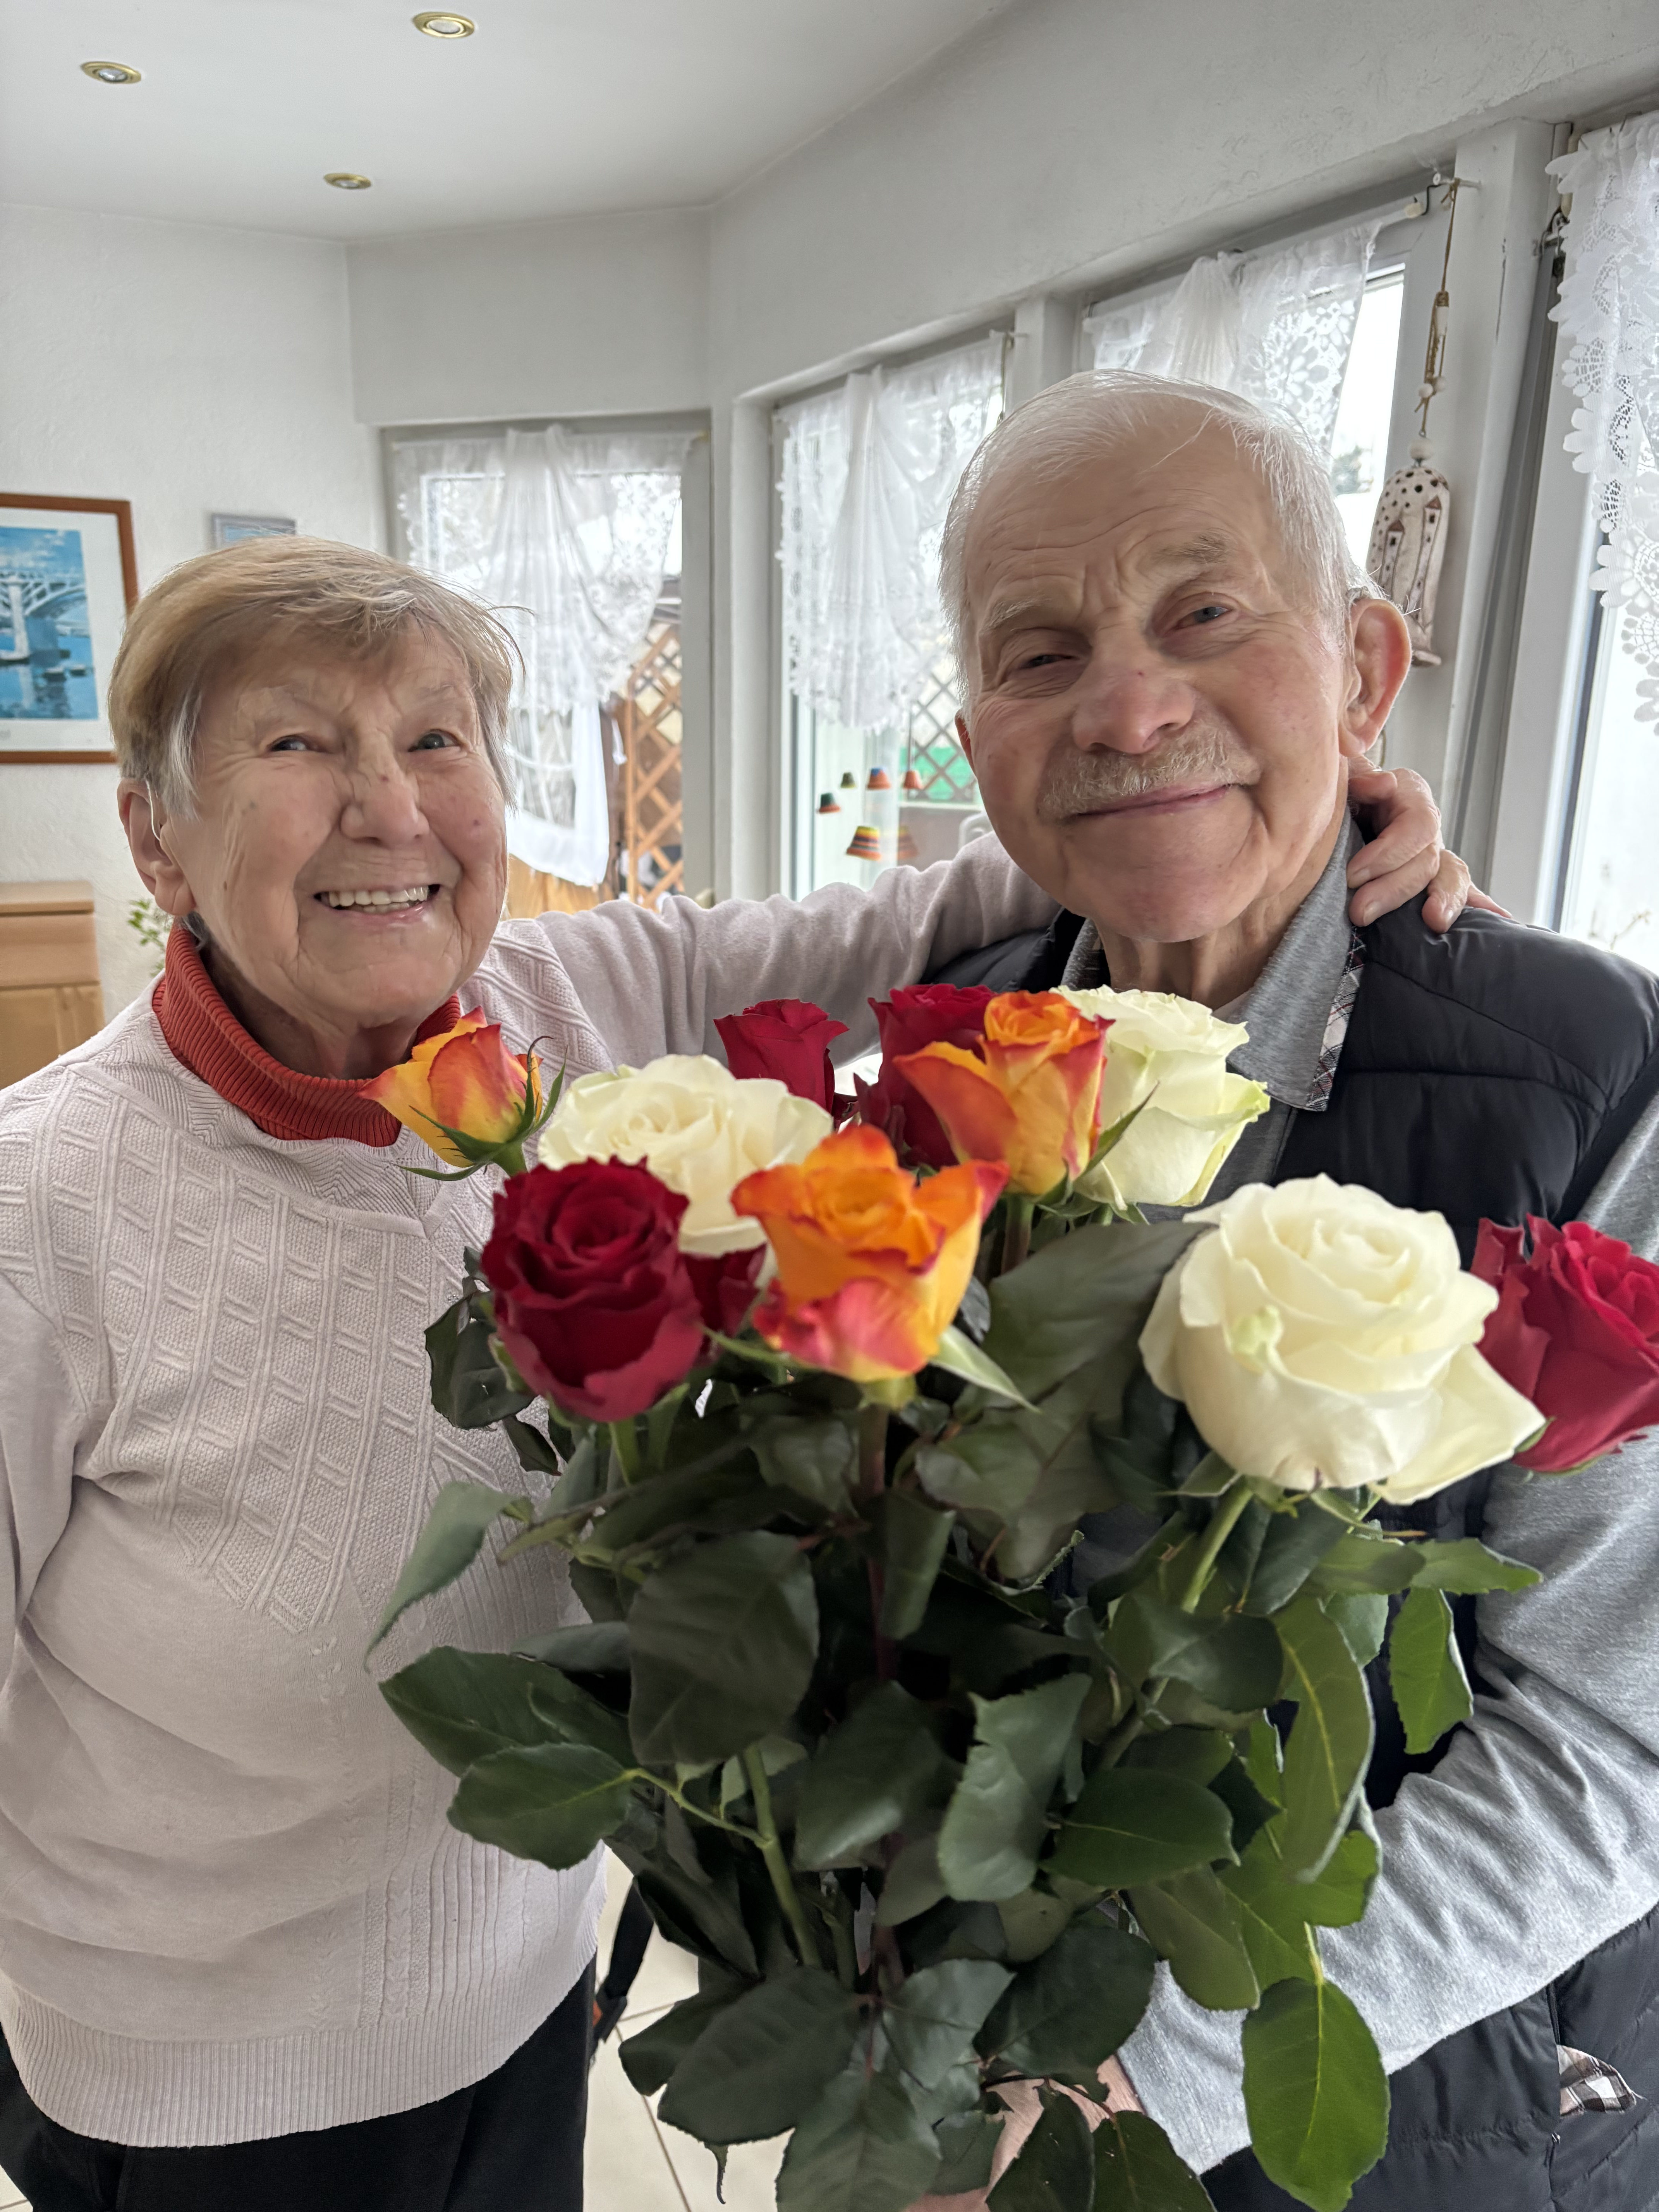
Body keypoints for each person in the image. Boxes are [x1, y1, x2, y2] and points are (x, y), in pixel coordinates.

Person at [0, 536, 1466, 2212]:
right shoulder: (40, 1212)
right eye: (295, 745)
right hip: (208, 2102)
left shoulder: (581, 994)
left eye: (433, 740)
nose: (388, 809)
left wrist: (1299, 808)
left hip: (521, 2004)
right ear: (154, 833)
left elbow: (967, 895)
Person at [922, 371, 1659, 2208]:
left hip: (1394, 2094)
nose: (1131, 704)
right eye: (1038, 652)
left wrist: (1127, 2075)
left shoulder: (1588, 1073)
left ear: (1362, 669)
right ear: (975, 729)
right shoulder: (956, 1055)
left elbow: (1612, 1740)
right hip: (967, 2067)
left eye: (1205, 613)